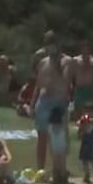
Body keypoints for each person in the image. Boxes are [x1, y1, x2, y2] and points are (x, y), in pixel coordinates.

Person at [32, 41, 72, 171]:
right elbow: (38, 85)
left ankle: (59, 169)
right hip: (43, 101)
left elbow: (66, 82)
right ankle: (40, 169)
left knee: (58, 138)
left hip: (58, 101)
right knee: (42, 137)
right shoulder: (43, 62)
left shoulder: (66, 61)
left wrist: (56, 65)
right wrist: (32, 104)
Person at [72, 42, 93, 114]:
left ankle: (88, 123)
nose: (85, 50)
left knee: (89, 111)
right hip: (79, 89)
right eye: (83, 47)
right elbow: (71, 75)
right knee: (78, 110)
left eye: (87, 48)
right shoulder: (75, 60)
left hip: (90, 89)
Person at [78, 114, 93, 184]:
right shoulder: (82, 129)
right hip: (85, 147)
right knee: (85, 162)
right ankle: (87, 176)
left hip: (92, 147)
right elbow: (79, 136)